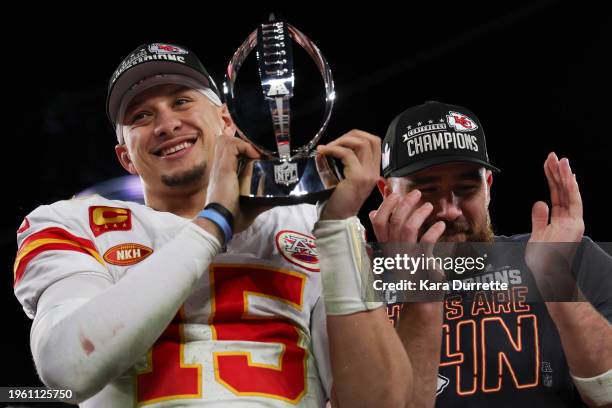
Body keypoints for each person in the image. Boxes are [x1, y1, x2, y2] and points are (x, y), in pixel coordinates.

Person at [13, 42, 411, 407]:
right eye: (141, 116)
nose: (166, 124)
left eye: (182, 101)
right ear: (126, 158)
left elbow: (380, 403)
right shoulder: (72, 222)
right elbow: (67, 368)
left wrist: (339, 226)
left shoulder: (313, 224)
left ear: (226, 120)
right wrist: (215, 223)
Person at [370, 101, 612, 407]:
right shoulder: (353, 287)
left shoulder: (566, 257)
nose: (449, 210)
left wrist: (558, 282)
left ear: (489, 186)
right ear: (387, 194)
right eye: (427, 190)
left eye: (467, 188)